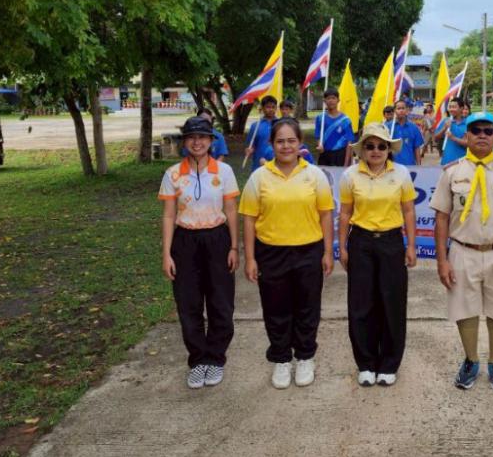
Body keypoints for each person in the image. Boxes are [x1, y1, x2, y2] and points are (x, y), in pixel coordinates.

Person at [430, 112, 493, 393]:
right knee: (464, 309)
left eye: (488, 131)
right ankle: (471, 359)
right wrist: (442, 260)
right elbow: (441, 218)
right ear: (467, 136)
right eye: (476, 131)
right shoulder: (452, 172)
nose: (482, 135)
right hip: (462, 251)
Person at [240, 118, 335, 389]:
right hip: (271, 252)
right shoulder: (259, 177)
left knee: (307, 307)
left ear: (300, 143)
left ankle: (305, 356)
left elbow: (326, 215)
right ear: (271, 144)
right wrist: (250, 258)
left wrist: (328, 252)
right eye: (280, 141)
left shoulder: (314, 175)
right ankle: (281, 358)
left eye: (291, 140)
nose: (286, 146)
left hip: (309, 251)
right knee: (276, 308)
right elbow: (249, 219)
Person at [159, 116, 240, 389]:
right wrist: (166, 254)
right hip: (185, 242)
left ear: (210, 141)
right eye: (192, 137)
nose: (197, 142)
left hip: (217, 239)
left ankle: (215, 358)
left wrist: (234, 246)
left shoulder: (224, 172)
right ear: (185, 141)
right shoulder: (172, 174)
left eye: (202, 137)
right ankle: (198, 360)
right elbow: (168, 215)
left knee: (221, 302)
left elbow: (231, 210)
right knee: (188, 303)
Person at [338, 122, 417, 387]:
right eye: (370, 146)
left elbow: (408, 210)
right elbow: (345, 214)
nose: (376, 151)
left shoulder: (401, 174)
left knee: (392, 303)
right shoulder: (350, 175)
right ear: (361, 149)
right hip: (360, 242)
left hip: (391, 242)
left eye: (381, 146)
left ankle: (389, 364)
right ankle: (366, 363)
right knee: (361, 304)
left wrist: (411, 245)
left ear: (388, 149)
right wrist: (343, 247)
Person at [314, 88, 353, 166]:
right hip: (324, 154)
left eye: (333, 98)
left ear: (338, 100)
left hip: (340, 155)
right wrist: (319, 146)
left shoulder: (345, 120)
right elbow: (318, 136)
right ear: (324, 101)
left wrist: (346, 163)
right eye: (328, 98)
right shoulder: (320, 118)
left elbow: (349, 143)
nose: (331, 101)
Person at [245, 96, 278, 170]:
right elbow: (251, 146)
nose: (271, 109)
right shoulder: (255, 126)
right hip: (259, 165)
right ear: (262, 108)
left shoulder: (281, 124)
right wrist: (249, 150)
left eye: (273, 107)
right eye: (268, 107)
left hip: (277, 164)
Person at [389, 100, 424, 166]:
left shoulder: (414, 128)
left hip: (410, 165)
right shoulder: (389, 127)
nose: (401, 110)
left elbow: (417, 148)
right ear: (394, 111)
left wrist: (419, 166)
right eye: (398, 108)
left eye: (403, 108)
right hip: (392, 166)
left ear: (407, 110)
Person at [434, 97, 468, 165]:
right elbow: (435, 138)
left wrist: (453, 138)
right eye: (450, 107)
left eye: (454, 107)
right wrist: (444, 128)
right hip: (446, 161)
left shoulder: (468, 123)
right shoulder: (446, 121)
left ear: (461, 108)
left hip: (462, 162)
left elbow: (468, 143)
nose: (451, 109)